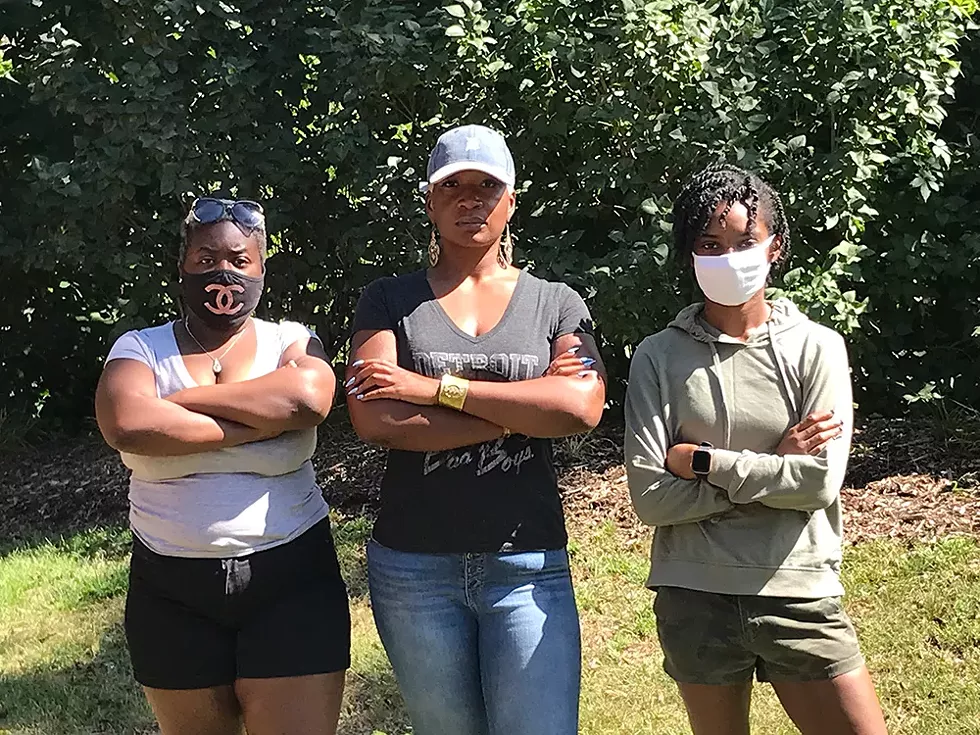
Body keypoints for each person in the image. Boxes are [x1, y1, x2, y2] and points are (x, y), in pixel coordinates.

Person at [346, 124, 606, 735]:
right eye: (453, 186)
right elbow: (375, 416)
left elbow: (580, 409)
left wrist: (434, 390)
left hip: (528, 563)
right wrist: (523, 410)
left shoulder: (556, 303)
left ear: (511, 200)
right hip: (414, 570)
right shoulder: (388, 300)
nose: (471, 200)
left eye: (487, 186)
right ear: (431, 201)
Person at [624, 164, 889, 735]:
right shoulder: (657, 357)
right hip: (695, 594)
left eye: (745, 242)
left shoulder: (818, 348)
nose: (729, 258)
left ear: (776, 246)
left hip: (797, 586)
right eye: (710, 245)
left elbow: (818, 484)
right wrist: (777, 463)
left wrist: (704, 463)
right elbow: (651, 499)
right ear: (689, 254)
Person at [95, 197, 350, 735]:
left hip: (293, 580)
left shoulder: (292, 340)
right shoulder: (139, 347)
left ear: (261, 269)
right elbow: (126, 421)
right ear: (182, 266)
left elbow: (308, 400)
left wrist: (179, 405)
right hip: (170, 591)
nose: (223, 271)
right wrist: (258, 422)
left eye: (239, 259)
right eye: (206, 258)